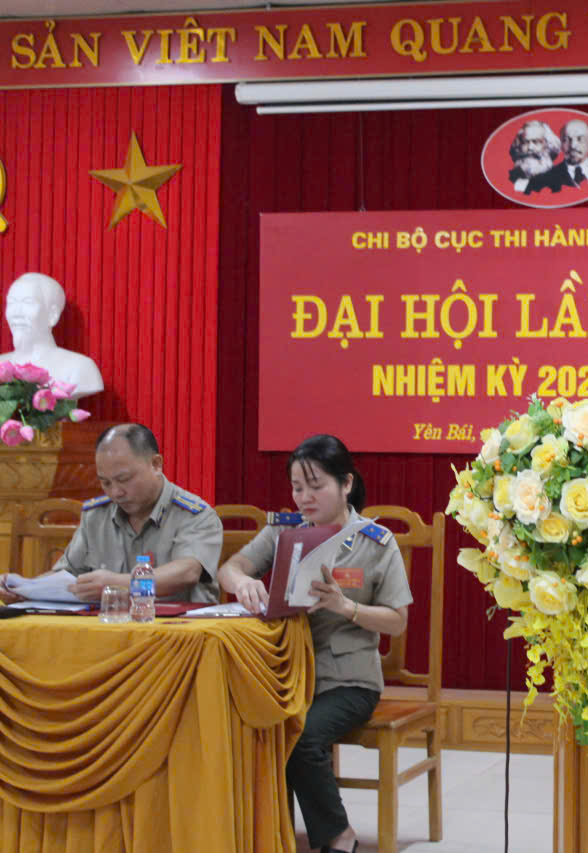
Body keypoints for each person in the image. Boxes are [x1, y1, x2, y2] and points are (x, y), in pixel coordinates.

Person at [218, 434, 412, 853]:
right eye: (297, 487)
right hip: (285, 674)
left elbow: (397, 621)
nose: (304, 497)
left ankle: (340, 837)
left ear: (346, 484)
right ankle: (270, 836)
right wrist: (243, 581)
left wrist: (346, 607)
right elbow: (229, 568)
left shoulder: (376, 542)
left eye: (316, 486)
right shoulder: (284, 532)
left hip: (348, 680)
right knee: (248, 725)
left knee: (301, 736)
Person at [0, 423, 222, 605]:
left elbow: (187, 572)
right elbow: (68, 575)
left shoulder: (195, 514)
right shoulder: (96, 516)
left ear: (156, 464)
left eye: (124, 480)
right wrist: (25, 589)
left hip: (177, 634)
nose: (116, 492)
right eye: (105, 482)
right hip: (107, 629)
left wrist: (117, 583)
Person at [1, 272, 104, 398]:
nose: (16, 313)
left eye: (28, 302)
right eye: (11, 302)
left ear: (52, 315)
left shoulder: (79, 368)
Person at [528, 118, 588, 193]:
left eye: (580, 139)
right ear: (561, 144)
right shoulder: (541, 180)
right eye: (566, 140)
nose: (573, 146)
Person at [507, 120, 561, 194]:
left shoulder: (557, 181)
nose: (530, 147)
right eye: (525, 142)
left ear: (547, 145)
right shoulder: (511, 177)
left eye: (536, 142)